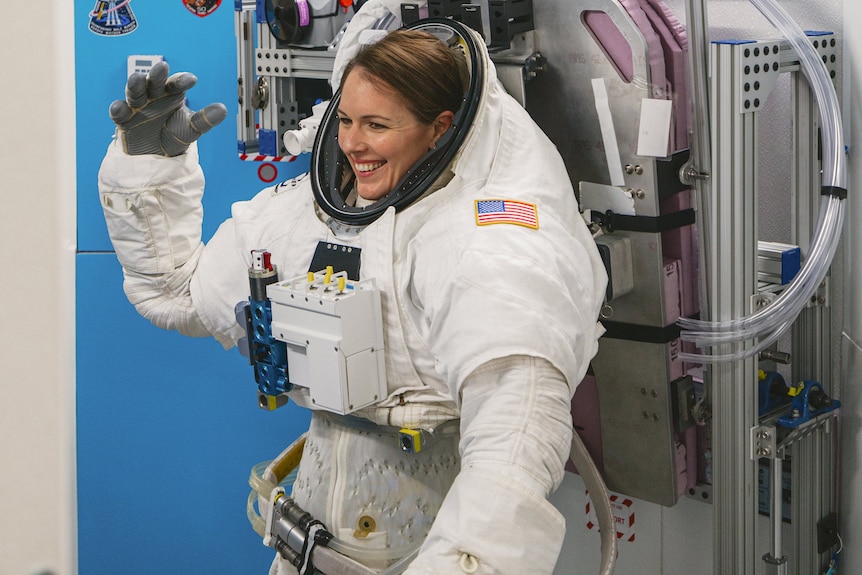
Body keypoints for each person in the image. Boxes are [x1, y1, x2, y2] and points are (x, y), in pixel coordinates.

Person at [98, 16, 607, 575]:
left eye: (377, 125)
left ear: (440, 128)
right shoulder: (307, 217)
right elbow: (176, 295)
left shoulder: (491, 246)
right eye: (343, 119)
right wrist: (147, 168)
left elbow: (511, 456)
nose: (351, 143)